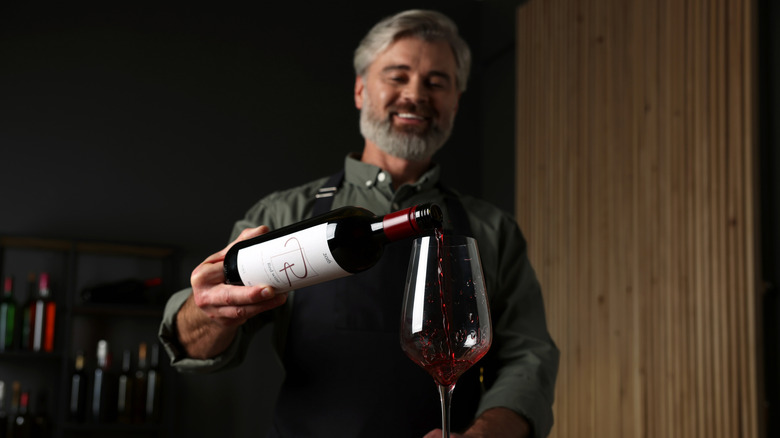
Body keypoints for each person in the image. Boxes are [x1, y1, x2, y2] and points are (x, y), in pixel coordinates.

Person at [159, 9, 559, 438]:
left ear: (456, 101)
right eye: (397, 76)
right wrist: (209, 311)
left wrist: (483, 435)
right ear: (360, 89)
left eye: (436, 82)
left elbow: (528, 358)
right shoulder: (284, 214)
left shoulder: (493, 230)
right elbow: (197, 342)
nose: (415, 94)